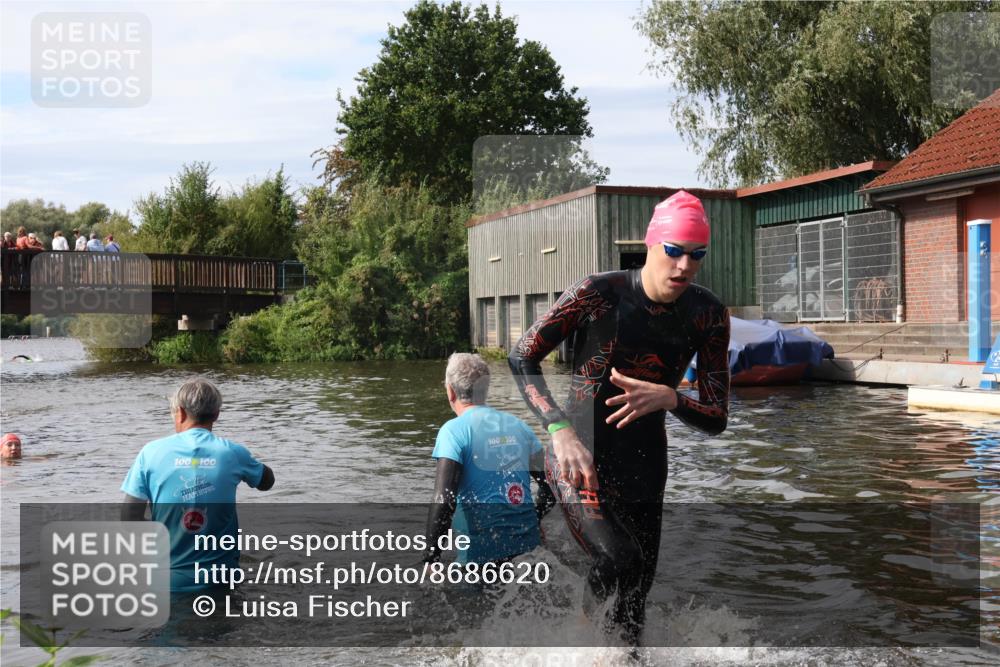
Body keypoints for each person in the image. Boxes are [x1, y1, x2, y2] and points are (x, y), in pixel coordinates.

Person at [508, 190, 731, 645]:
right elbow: (522, 356)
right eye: (674, 252)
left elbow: (716, 416)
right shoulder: (598, 294)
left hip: (646, 469)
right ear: (651, 245)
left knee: (635, 598)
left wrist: (672, 398)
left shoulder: (708, 314)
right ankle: (581, 649)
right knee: (618, 559)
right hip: (580, 460)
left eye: (696, 255)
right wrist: (558, 429)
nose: (685, 266)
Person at [121, 379, 275, 592]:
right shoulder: (232, 453)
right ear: (216, 415)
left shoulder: (150, 453)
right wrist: (251, 464)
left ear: (181, 413)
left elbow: (129, 519)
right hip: (221, 581)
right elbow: (267, 482)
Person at [423, 353, 554, 565]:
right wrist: (536, 518)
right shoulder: (519, 426)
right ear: (485, 390)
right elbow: (550, 487)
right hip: (530, 550)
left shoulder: (453, 431)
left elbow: (443, 499)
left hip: (480, 557)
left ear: (450, 391)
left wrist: (431, 558)